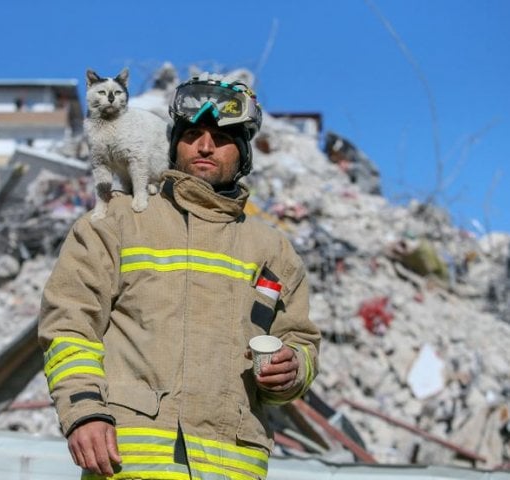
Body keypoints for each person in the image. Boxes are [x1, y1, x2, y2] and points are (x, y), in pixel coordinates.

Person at [38, 73, 321, 479]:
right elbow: (69, 325)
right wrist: (84, 411)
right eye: (192, 134)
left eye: (223, 138)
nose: (205, 146)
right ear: (174, 144)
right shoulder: (117, 222)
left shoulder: (273, 251)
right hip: (129, 467)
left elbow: (301, 340)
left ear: (243, 154)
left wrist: (293, 367)